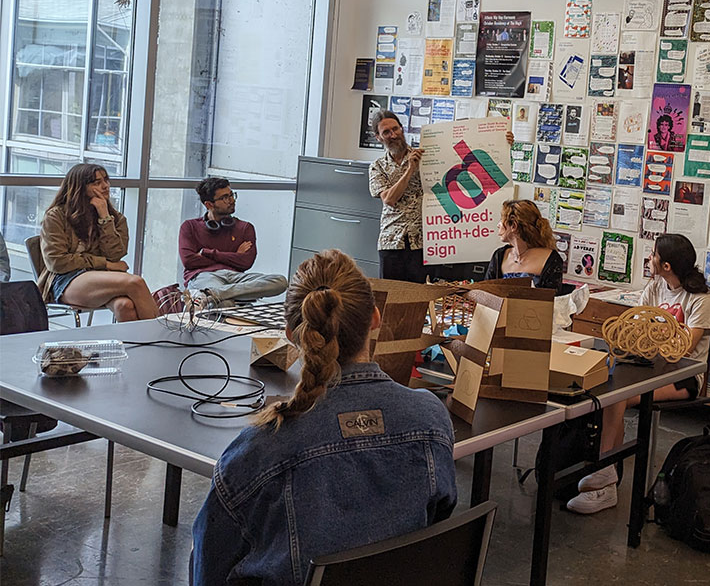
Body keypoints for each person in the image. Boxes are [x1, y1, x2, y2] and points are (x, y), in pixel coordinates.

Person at [190, 250, 457, 586]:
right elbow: (436, 520)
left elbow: (209, 568)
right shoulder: (431, 419)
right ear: (375, 317)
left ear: (290, 333)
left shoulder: (259, 449)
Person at [566, 233, 710, 515]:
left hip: (683, 376)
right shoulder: (655, 286)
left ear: (667, 265)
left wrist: (652, 333)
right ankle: (606, 479)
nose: (650, 258)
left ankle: (605, 471)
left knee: (617, 398)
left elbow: (686, 345)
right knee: (607, 390)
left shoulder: (700, 299)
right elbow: (635, 329)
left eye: (653, 255)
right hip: (647, 366)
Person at [368, 109, 514, 283]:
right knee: (388, 295)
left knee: (419, 297)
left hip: (423, 242)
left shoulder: (425, 155)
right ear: (378, 137)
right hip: (391, 241)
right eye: (386, 132)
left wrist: (500, 143)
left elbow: (465, 161)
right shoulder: (377, 167)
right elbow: (389, 199)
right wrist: (410, 170)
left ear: (402, 128)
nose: (393, 135)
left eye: (396, 129)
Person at [37, 164, 158, 322]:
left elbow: (116, 254)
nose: (105, 186)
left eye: (106, 180)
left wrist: (104, 218)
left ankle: (132, 346)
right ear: (79, 187)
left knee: (125, 305)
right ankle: (163, 339)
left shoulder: (115, 218)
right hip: (65, 280)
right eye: (96, 182)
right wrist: (106, 264)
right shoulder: (56, 216)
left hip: (102, 277)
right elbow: (57, 262)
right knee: (135, 282)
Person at [179, 177, 288, 308]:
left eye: (231, 195)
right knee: (225, 304)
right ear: (209, 204)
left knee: (280, 281)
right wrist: (234, 255)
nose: (231, 200)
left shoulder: (245, 228)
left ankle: (211, 294)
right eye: (225, 197)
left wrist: (207, 253)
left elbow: (246, 262)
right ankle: (218, 296)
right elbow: (189, 261)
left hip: (236, 277)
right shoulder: (189, 227)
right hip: (204, 276)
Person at [484, 199, 564, 290]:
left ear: (514, 226)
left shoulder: (552, 259)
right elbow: (486, 292)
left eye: (501, 219)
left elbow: (553, 301)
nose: (498, 225)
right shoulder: (499, 256)